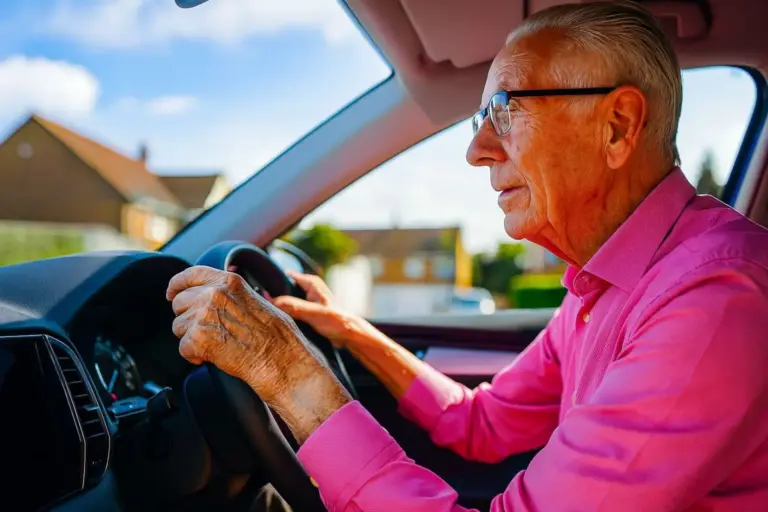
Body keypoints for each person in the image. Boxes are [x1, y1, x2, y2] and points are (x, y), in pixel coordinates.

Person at [166, 1, 768, 510]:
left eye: (505, 109)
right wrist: (349, 331)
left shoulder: (714, 299)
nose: (477, 149)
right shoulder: (603, 282)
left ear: (616, 126)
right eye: (483, 117)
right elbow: (481, 423)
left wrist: (286, 370)